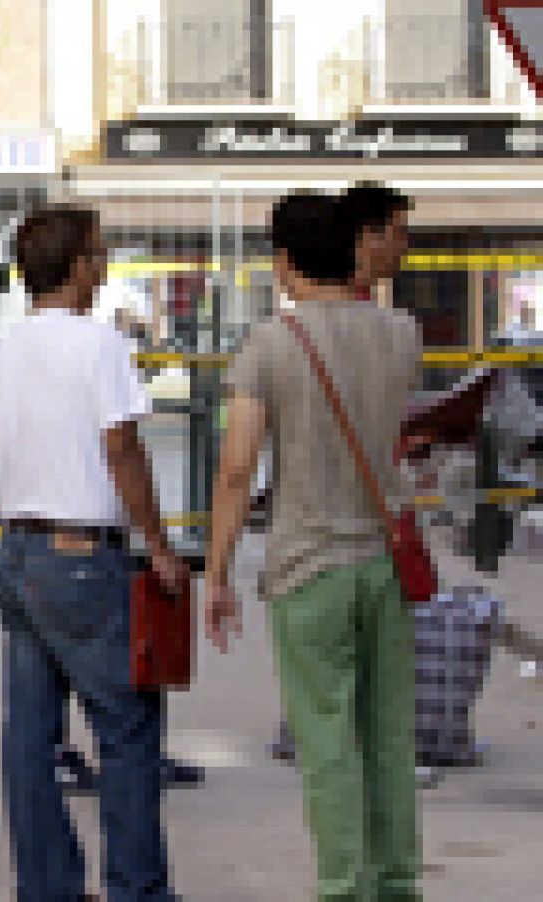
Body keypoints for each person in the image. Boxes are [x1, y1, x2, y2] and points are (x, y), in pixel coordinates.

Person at [206, 191, 423, 900]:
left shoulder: (272, 343)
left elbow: (237, 469)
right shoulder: (402, 333)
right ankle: (396, 884)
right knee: (389, 736)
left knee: (327, 741)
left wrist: (216, 572)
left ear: (285, 261)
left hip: (307, 565)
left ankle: (342, 886)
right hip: (382, 565)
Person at [0, 205, 186, 902]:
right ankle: (138, 891)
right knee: (127, 733)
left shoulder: (3, 352)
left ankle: (48, 890)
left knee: (30, 740)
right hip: (81, 557)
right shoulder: (99, 346)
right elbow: (122, 447)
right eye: (98, 256)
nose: (102, 270)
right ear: (77, 268)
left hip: (17, 553)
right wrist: (157, 545)